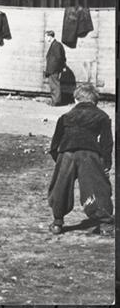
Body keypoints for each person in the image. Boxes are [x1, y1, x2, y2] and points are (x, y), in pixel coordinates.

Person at [47, 83, 114, 236]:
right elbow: (107, 143)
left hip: (66, 153)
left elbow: (54, 145)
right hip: (89, 154)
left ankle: (57, 222)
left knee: (60, 187)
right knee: (96, 187)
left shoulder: (65, 117)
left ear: (76, 100)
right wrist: (105, 164)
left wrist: (59, 160)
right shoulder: (102, 116)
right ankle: (105, 224)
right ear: (95, 102)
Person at [44, 30, 66, 106]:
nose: (45, 39)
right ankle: (54, 101)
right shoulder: (55, 44)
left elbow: (59, 58)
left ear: (50, 36)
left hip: (54, 70)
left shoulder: (56, 45)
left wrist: (58, 69)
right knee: (53, 85)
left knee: (55, 86)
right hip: (52, 69)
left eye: (46, 37)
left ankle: (56, 102)